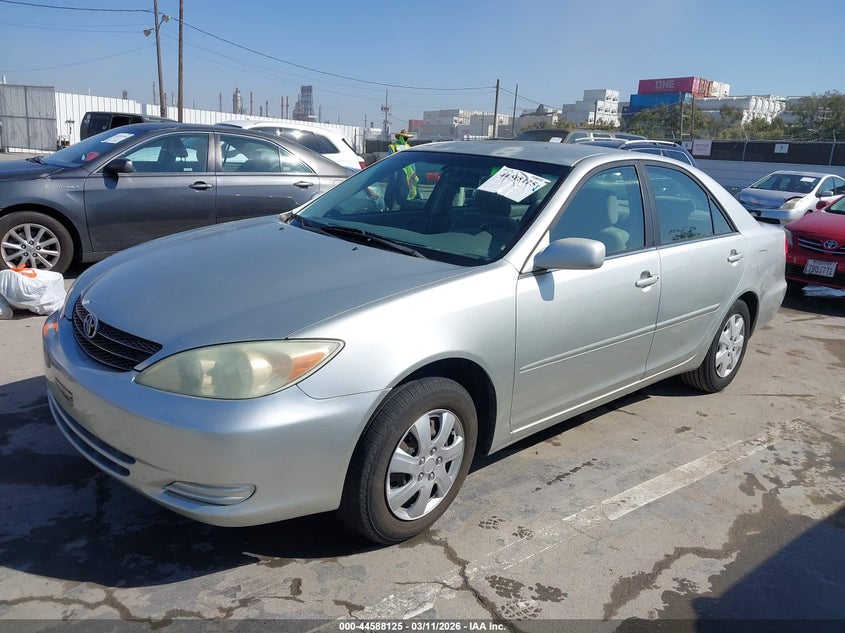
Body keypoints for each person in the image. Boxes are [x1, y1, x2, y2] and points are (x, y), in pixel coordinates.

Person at [384, 129, 419, 209]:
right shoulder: (393, 146)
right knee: (395, 192)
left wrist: (414, 172)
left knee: (405, 193)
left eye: (406, 137)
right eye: (404, 137)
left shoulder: (408, 147)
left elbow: (412, 162)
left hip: (408, 174)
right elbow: (391, 160)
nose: (406, 139)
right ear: (400, 137)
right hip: (397, 174)